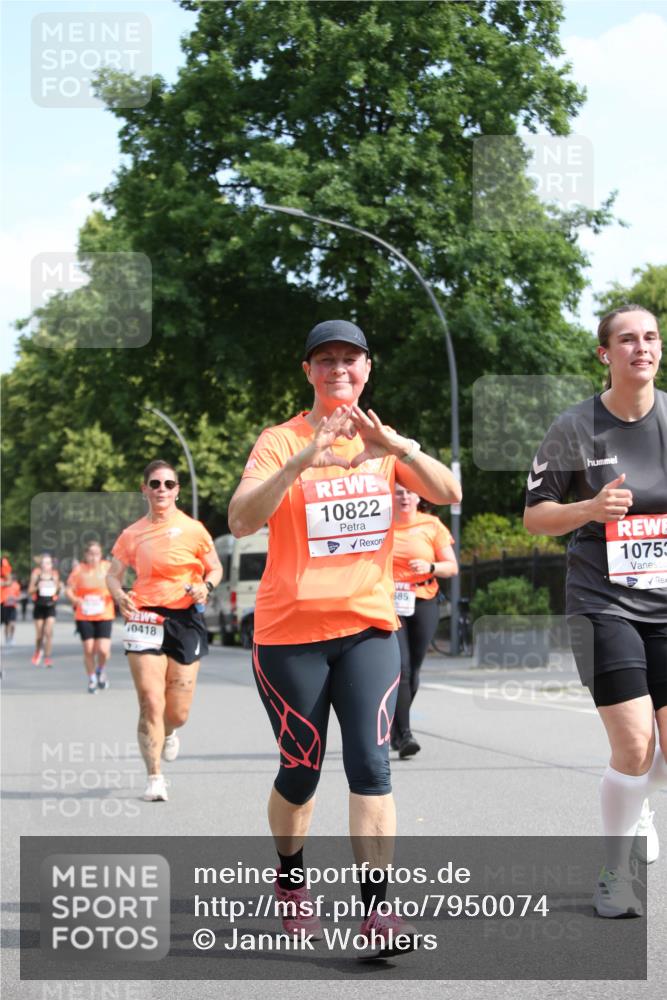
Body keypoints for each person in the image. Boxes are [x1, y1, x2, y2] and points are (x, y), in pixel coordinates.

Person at [228, 319, 461, 956]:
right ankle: (291, 879)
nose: (338, 369)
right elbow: (241, 520)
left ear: (366, 369)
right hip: (290, 635)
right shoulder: (279, 441)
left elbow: (449, 492)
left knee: (371, 766)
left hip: (369, 628)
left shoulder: (383, 441)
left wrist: (397, 446)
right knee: (300, 770)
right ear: (308, 371)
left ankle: (378, 913)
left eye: (350, 359)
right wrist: (302, 460)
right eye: (325, 359)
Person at [524, 304, 666, 918]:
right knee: (634, 743)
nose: (642, 347)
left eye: (651, 337)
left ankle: (638, 802)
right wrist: (588, 509)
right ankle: (614, 875)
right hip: (602, 600)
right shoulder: (576, 427)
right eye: (627, 339)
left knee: (658, 757)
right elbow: (535, 516)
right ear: (605, 354)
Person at [106, 460, 223, 802]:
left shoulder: (194, 529)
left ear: (177, 490)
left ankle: (169, 732)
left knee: (177, 712)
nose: (162, 489)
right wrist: (120, 595)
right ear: (144, 489)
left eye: (168, 484)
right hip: (144, 617)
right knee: (150, 700)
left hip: (185, 619)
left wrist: (205, 586)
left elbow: (215, 568)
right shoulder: (132, 534)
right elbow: (112, 575)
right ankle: (154, 777)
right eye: (155, 484)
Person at [391, 485, 458, 757]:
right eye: (398, 492)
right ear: (390, 496)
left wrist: (430, 567)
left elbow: (451, 567)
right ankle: (406, 734)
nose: (404, 497)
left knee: (415, 669)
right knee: (402, 669)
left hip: (424, 599)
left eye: (409, 492)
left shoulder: (431, 525)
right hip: (390, 602)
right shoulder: (381, 524)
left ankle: (395, 728)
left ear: (419, 496)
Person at [66, 541, 116, 693]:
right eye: (91, 554)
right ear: (86, 555)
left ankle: (100, 669)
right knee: (89, 649)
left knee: (103, 650)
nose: (94, 557)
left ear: (101, 555)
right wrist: (75, 599)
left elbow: (117, 585)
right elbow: (69, 590)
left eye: (97, 554)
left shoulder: (107, 567)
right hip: (84, 614)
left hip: (104, 613)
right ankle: (92, 678)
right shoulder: (79, 570)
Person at [28, 554, 61, 667]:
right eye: (44, 563)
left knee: (48, 633)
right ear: (40, 564)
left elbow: (57, 591)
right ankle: (38, 651)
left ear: (51, 565)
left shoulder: (54, 575)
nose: (45, 565)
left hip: (50, 606)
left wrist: (57, 587)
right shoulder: (36, 575)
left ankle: (47, 657)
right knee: (39, 635)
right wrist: (38, 586)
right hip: (39, 606)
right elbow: (30, 591)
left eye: (48, 563)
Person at [1, 575, 21, 646]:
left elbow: (18, 595)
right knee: (7, 624)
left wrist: (15, 598)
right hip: (5, 606)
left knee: (12, 624)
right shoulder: (3, 585)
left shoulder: (16, 585)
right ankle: (7, 638)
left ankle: (11, 637)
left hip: (13, 606)